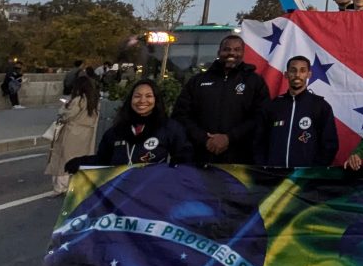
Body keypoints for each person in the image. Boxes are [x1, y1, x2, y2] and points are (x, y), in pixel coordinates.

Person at [172, 33, 270, 164]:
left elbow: (261, 117)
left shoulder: (255, 82)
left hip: (240, 161)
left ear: (243, 53)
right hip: (199, 158)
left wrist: (229, 138)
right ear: (219, 52)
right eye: (227, 49)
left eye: (236, 50)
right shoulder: (198, 81)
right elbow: (180, 115)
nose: (231, 53)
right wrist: (204, 139)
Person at [65, 79, 187, 169]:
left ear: (156, 100)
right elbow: (103, 160)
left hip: (153, 195)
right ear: (130, 100)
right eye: (137, 96)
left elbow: (184, 159)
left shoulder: (169, 128)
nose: (142, 101)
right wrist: (80, 163)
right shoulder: (115, 132)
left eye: (149, 96)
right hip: (120, 195)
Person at [258, 55, 338, 169]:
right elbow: (259, 141)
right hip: (273, 176)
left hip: (305, 179)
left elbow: (330, 145)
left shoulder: (320, 106)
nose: (297, 75)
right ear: (286, 74)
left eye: (302, 71)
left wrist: (313, 171)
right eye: (293, 70)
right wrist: (264, 166)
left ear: (309, 74)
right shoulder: (273, 106)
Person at [46, 75, 100, 193]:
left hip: (72, 132)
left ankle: (60, 187)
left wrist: (63, 108)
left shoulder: (78, 100)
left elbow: (67, 115)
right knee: (80, 159)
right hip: (87, 133)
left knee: (63, 160)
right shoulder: (94, 101)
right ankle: (77, 184)